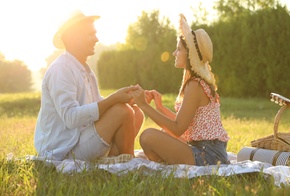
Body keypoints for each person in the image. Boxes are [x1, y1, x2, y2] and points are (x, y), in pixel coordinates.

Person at [34, 10, 144, 162]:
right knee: (123, 112)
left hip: (82, 138)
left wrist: (124, 99)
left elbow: (96, 104)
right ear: (73, 38)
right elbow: (71, 117)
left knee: (135, 112)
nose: (96, 39)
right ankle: (126, 165)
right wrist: (113, 100)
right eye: (90, 34)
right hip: (64, 150)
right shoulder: (60, 69)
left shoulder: (85, 69)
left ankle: (115, 158)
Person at [130, 14, 229, 166]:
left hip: (207, 155)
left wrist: (144, 106)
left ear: (190, 55)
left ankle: (165, 162)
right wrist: (160, 108)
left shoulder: (194, 85)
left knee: (147, 136)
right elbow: (182, 124)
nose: (174, 53)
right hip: (210, 151)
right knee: (163, 133)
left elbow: (177, 129)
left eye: (178, 50)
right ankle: (167, 160)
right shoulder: (198, 83)